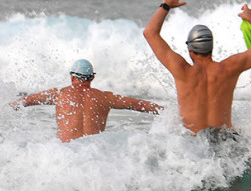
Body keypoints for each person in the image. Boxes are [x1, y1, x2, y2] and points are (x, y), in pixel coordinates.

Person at [143, 0, 251, 134]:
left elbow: (150, 33)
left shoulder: (182, 70)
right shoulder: (230, 68)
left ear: (190, 50)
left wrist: (166, 5)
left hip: (194, 144)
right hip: (225, 141)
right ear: (211, 48)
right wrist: (250, 18)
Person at [11, 59, 162, 142]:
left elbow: (27, 100)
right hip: (93, 153)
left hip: (67, 152)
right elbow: (138, 104)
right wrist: (165, 112)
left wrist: (5, 106)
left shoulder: (59, 94)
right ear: (93, 77)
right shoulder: (106, 97)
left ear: (72, 77)